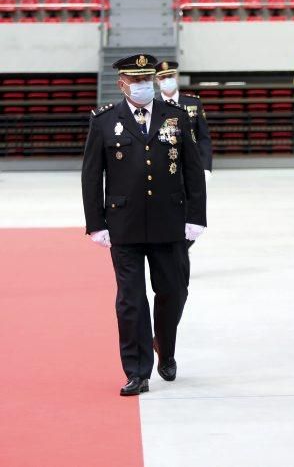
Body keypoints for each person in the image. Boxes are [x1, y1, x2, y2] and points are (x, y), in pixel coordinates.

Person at [81, 53, 207, 396]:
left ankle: (164, 346)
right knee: (131, 300)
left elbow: (193, 172)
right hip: (125, 224)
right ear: (122, 83)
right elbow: (92, 176)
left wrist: (196, 217)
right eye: (136, 82)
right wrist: (96, 223)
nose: (143, 86)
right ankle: (137, 371)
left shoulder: (177, 118)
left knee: (174, 292)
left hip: (170, 222)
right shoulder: (105, 121)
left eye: (147, 80)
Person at [155, 61, 213, 178]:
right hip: (163, 168)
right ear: (157, 81)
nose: (167, 80)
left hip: (191, 166)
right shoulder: (152, 106)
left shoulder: (193, 103)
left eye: (170, 76)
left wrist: (206, 167)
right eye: (163, 77)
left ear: (177, 77)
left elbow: (203, 138)